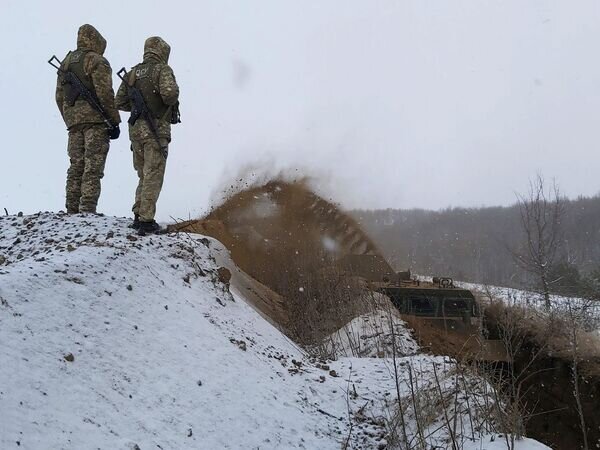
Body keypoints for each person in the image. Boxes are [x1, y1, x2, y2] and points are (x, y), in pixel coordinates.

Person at [115, 36, 180, 234]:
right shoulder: (162, 70)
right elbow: (169, 94)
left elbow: (119, 101)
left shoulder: (133, 73)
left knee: (143, 174)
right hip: (155, 130)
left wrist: (138, 108)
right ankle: (146, 220)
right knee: (153, 174)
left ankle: (139, 214)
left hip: (136, 132)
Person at [55, 24, 121, 214]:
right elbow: (105, 93)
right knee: (93, 166)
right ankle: (87, 209)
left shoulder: (65, 63)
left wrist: (70, 118)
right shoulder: (96, 60)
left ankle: (72, 208)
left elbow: (59, 97)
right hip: (96, 122)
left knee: (76, 165)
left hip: (74, 124)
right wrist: (114, 120)